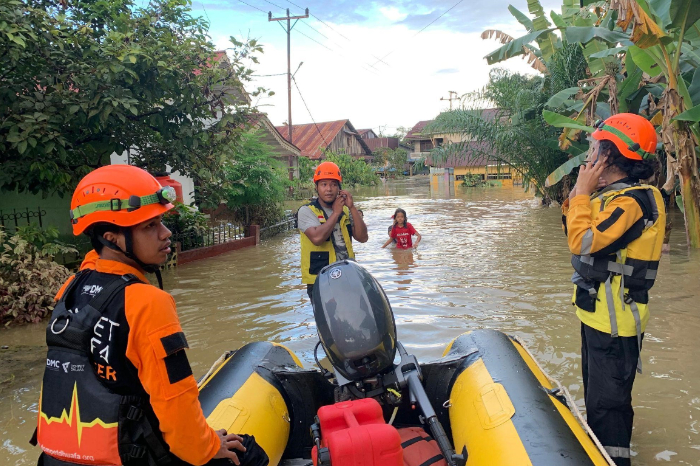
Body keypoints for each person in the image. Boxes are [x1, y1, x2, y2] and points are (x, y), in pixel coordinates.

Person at [33, 165, 253, 466]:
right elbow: (177, 404)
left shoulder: (71, 288)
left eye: (160, 221)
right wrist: (209, 446)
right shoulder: (147, 302)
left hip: (55, 459)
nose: (166, 233)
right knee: (249, 453)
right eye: (149, 226)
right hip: (131, 457)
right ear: (112, 238)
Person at [562, 113, 665, 466]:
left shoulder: (632, 202)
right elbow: (573, 225)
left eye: (594, 151)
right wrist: (580, 193)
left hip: (616, 323)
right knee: (599, 400)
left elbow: (582, 242)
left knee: (609, 407)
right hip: (597, 316)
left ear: (609, 157)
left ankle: (613, 459)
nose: (589, 158)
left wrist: (583, 193)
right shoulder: (611, 197)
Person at [297, 161, 368, 299]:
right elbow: (317, 238)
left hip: (348, 275)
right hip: (321, 279)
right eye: (324, 184)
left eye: (333, 184)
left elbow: (363, 237)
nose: (329, 189)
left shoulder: (347, 211)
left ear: (339, 188)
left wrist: (352, 208)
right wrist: (335, 213)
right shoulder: (306, 211)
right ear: (316, 187)